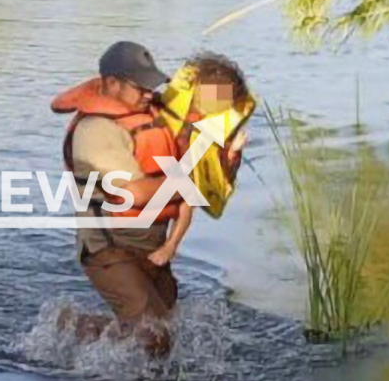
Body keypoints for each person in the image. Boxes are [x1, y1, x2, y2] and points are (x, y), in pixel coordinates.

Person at [51, 41, 185, 356]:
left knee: (168, 329)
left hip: (150, 244)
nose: (149, 94)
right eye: (141, 87)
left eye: (152, 86)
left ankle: (75, 326)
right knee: (154, 336)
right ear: (111, 83)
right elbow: (134, 193)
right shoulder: (95, 131)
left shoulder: (148, 115)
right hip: (108, 248)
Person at [148, 52, 250, 267]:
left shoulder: (223, 128)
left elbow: (226, 176)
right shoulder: (174, 102)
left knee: (188, 199)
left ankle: (170, 246)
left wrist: (234, 152)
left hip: (185, 169)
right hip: (158, 155)